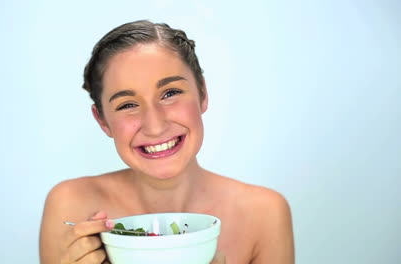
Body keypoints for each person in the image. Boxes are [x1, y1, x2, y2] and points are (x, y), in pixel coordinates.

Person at [39, 20, 294, 264]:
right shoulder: (70, 205)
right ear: (103, 121)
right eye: (127, 104)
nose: (155, 125)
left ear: (203, 93)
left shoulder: (265, 213)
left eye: (170, 93)